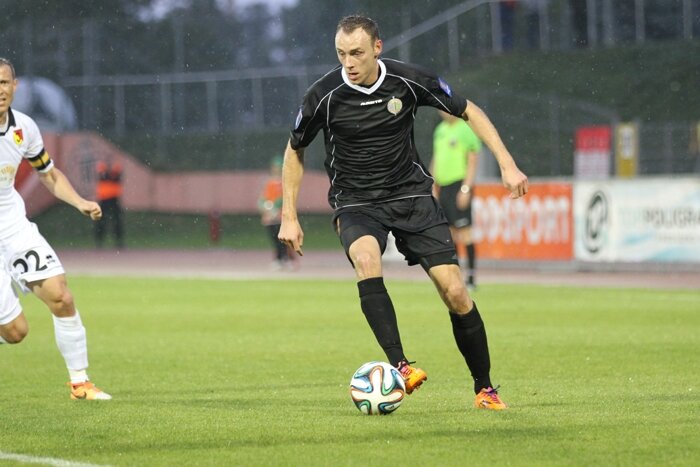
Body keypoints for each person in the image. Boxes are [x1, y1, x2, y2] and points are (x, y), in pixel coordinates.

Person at [278, 15, 528, 410]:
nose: (349, 63)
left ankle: (484, 389)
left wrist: (507, 164)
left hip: (411, 196)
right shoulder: (323, 96)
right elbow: (295, 149)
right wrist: (288, 215)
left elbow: (469, 111)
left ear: (378, 47)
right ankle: (401, 365)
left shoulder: (408, 80)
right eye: (342, 54)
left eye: (357, 53)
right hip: (356, 201)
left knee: (455, 291)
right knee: (366, 259)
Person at [0, 57, 111, 400]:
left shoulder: (24, 127)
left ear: (15, 87)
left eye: (3, 83)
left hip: (13, 227)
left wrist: (79, 201)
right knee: (16, 332)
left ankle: (80, 384)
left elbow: (47, 173)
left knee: (61, 296)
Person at [431, 110, 481, 290]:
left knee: (465, 232)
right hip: (443, 187)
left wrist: (466, 188)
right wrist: (432, 183)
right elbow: (436, 158)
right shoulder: (440, 130)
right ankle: (456, 277)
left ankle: (471, 277)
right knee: (449, 235)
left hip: (459, 185)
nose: (443, 112)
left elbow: (473, 160)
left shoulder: (465, 129)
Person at [258, 155, 296, 270]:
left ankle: (286, 259)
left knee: (284, 239)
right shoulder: (268, 183)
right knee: (275, 240)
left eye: (279, 167)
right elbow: (262, 199)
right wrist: (266, 208)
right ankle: (279, 259)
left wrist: (275, 208)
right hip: (269, 218)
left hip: (281, 217)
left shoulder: (285, 182)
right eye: (275, 167)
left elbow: (285, 198)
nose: (277, 169)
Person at [95, 159, 125, 249]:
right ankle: (99, 241)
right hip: (104, 199)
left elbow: (116, 177)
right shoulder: (103, 169)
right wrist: (110, 173)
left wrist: (110, 173)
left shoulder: (115, 170)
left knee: (117, 221)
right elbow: (103, 176)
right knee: (100, 221)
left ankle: (118, 241)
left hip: (114, 199)